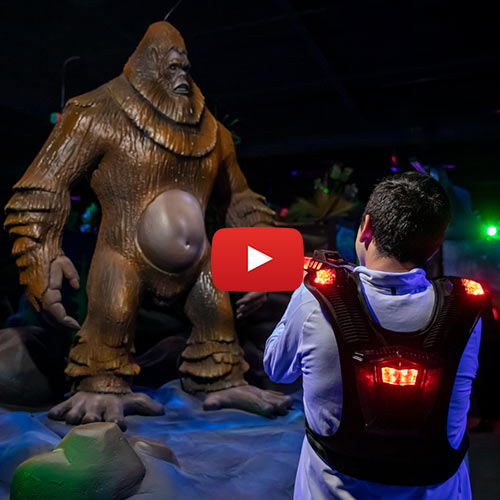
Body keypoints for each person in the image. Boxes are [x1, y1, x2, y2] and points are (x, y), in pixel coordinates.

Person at [264, 172, 486, 499]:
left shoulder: (316, 297)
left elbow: (276, 368)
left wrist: (305, 290)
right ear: (436, 244)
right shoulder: (467, 310)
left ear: (366, 226)